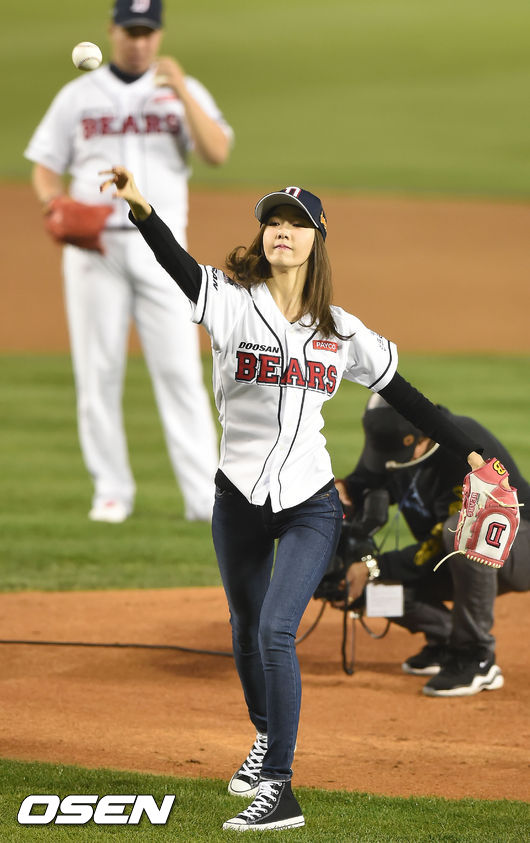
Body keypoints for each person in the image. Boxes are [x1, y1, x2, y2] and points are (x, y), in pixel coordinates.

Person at [99, 164, 495, 831]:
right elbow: (174, 262)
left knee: (277, 628)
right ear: (263, 235)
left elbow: (412, 400)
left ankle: (280, 786)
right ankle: (264, 739)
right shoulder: (228, 298)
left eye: (296, 223)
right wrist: (140, 206)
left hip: (310, 502)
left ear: (317, 240)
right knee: (245, 632)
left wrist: (475, 454)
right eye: (274, 222)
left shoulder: (341, 330)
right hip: (237, 500)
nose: (282, 231)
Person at [24, 0, 233, 523]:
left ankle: (202, 495)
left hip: (162, 246)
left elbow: (217, 151)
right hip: (94, 249)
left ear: (158, 35)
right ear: (112, 31)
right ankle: (110, 492)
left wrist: (181, 89)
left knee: (181, 370)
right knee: (97, 371)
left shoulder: (181, 90)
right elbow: (45, 165)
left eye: (148, 32)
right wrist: (53, 203)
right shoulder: (78, 95)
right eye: (130, 30)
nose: (139, 41)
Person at [335, 394, 530, 697]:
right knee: (370, 587)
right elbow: (362, 484)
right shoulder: (393, 441)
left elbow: (457, 541)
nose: (389, 461)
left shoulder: (465, 447)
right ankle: (444, 639)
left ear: (423, 434)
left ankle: (475, 657)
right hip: (452, 555)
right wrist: (342, 495)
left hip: (514, 548)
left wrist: (374, 566)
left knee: (458, 531)